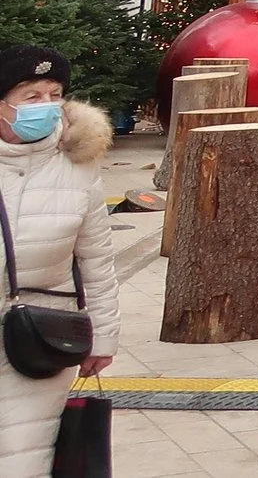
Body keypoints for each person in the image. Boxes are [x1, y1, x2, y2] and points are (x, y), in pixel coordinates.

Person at [0, 46, 119, 478]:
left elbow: (96, 260)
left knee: (22, 457)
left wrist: (102, 338)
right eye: (31, 96)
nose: (47, 106)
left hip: (37, 338)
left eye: (55, 94)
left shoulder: (78, 166)